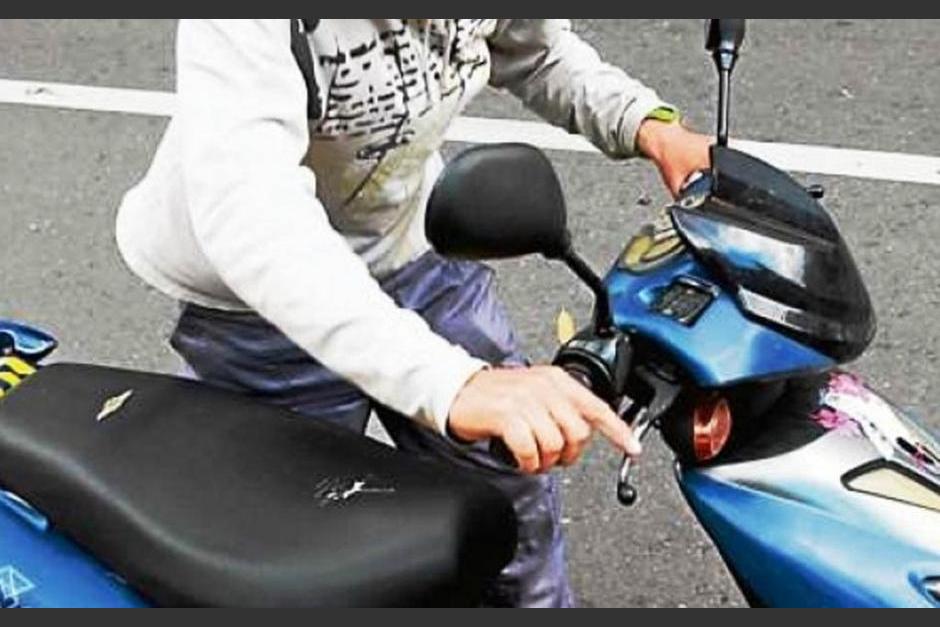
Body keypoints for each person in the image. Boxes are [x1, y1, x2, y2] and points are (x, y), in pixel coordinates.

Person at [116, 19, 712, 607]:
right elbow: (252, 213)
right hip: (259, 311)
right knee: (290, 555)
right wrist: (453, 385)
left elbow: (532, 48)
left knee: (514, 499)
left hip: (414, 248)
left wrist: (649, 124)